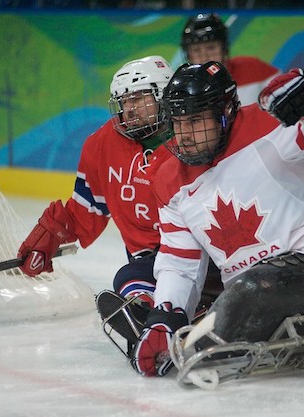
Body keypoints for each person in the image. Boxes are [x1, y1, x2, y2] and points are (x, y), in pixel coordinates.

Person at [130, 61, 304, 377]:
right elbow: (179, 262)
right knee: (164, 280)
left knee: (251, 288)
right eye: (177, 122)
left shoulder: (274, 125)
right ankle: (181, 325)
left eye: (195, 121)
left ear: (225, 113)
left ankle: (211, 332)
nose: (185, 135)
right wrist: (167, 314)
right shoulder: (169, 179)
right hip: (254, 289)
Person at [16, 56, 220, 356]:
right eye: (123, 100)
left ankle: (175, 314)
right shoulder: (101, 145)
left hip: (210, 255)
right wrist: (49, 236)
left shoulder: (193, 137)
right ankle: (160, 316)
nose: (129, 109)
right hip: (152, 264)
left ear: (162, 95)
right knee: (129, 278)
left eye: (138, 98)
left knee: (131, 279)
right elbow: (85, 210)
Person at [180, 12, 280, 107]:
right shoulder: (182, 87)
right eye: (196, 50)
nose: (205, 57)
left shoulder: (254, 68)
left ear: (224, 48)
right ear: (188, 54)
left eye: (211, 48)